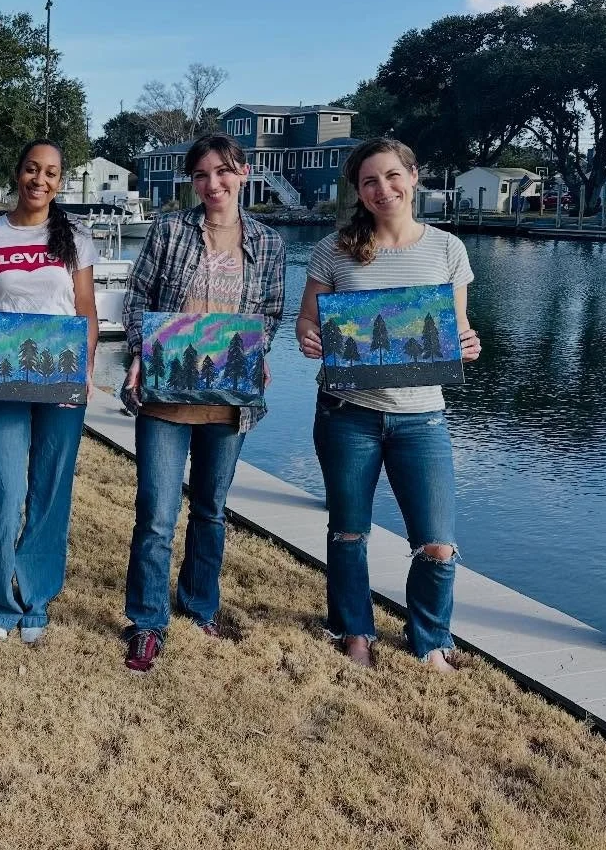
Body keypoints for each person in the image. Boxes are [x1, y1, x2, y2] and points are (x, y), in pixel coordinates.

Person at [295, 137, 482, 673]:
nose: (383, 189)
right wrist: (308, 336)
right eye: (370, 181)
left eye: (392, 176)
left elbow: (458, 328)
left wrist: (468, 344)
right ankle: (353, 629)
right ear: (358, 190)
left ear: (413, 176)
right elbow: (307, 320)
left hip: (422, 417)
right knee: (349, 531)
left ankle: (430, 639)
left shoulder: (447, 249)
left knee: (438, 543)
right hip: (346, 413)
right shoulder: (334, 248)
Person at [117, 134, 285, 673]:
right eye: (201, 175)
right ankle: (147, 621)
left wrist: (258, 351)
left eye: (223, 172)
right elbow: (138, 297)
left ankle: (199, 605)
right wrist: (140, 353)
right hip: (165, 397)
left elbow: (271, 312)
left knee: (210, 510)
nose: (213, 184)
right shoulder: (169, 230)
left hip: (228, 401)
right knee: (156, 514)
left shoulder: (269, 243)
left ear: (244, 173)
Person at [0, 139, 98, 644]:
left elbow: (85, 308)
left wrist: (86, 363)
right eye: (33, 169)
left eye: (51, 173)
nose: (41, 180)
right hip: (4, 376)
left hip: (60, 376)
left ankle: (35, 596)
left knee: (50, 489)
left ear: (60, 181)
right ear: (17, 173)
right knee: (3, 487)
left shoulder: (76, 237)